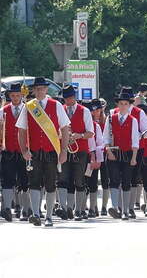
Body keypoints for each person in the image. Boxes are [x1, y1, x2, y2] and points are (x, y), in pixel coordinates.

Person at [16, 77, 70, 227]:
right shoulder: (29, 106)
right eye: (37, 89)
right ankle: (36, 214)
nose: (39, 91)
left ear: (47, 89)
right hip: (34, 152)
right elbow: (21, 130)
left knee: (51, 183)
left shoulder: (56, 105)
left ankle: (49, 216)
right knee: (33, 183)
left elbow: (65, 128)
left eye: (42, 88)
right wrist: (24, 150)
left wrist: (64, 151)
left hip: (52, 151)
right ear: (33, 90)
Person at [57, 85, 95, 221]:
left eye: (71, 97)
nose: (68, 100)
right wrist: (63, 135)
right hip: (64, 149)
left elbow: (90, 133)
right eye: (66, 98)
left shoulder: (84, 111)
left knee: (79, 180)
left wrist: (78, 135)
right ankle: (64, 208)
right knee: (63, 179)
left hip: (80, 151)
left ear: (75, 97)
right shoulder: (60, 110)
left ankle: (79, 209)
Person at [104, 92, 139, 220]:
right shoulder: (110, 118)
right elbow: (105, 138)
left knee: (126, 182)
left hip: (127, 153)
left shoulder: (133, 120)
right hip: (113, 152)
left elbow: (135, 140)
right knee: (113, 180)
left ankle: (125, 210)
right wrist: (109, 152)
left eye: (126, 104)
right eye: (121, 104)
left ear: (129, 106)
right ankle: (114, 206)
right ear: (117, 105)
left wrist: (134, 157)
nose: (123, 106)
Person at [0, 83, 29, 222]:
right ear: (9, 96)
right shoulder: (3, 110)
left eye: (18, 95)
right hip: (8, 150)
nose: (15, 98)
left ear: (22, 96)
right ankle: (6, 208)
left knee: (25, 180)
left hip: (24, 150)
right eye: (13, 96)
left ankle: (25, 209)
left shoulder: (28, 109)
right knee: (7, 180)